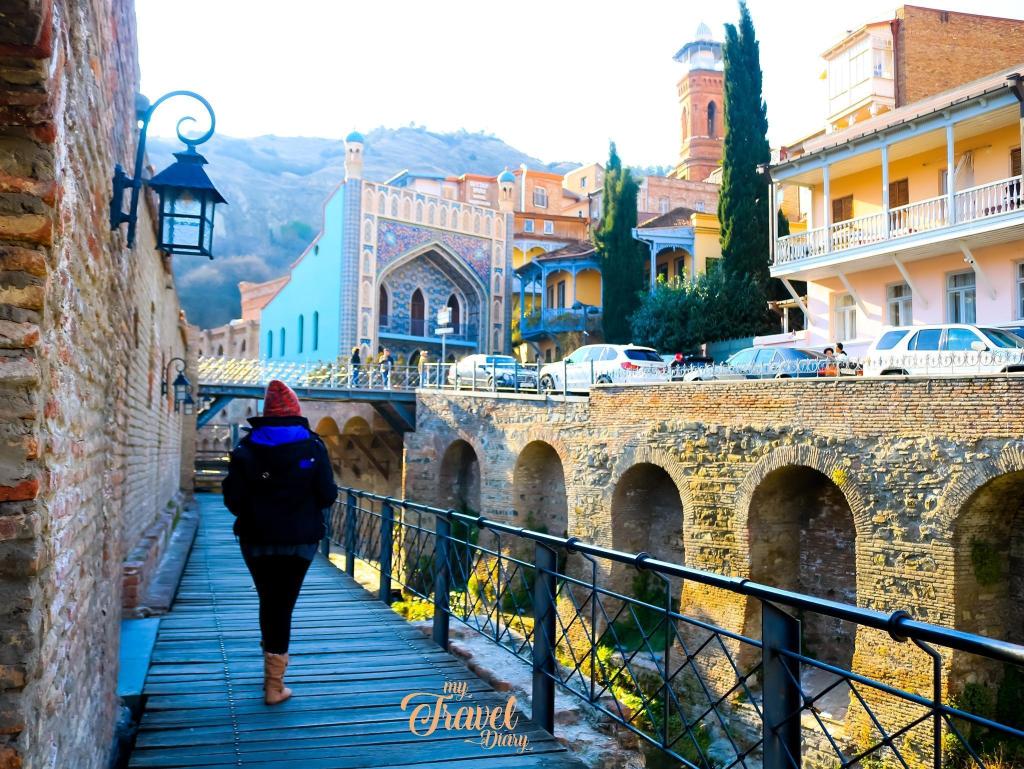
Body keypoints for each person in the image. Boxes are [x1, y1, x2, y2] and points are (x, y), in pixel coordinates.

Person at [222, 380, 337, 705]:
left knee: (270, 600)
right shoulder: (313, 448)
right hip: (299, 541)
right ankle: (274, 684)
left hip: (256, 539)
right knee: (281, 604)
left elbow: (232, 499)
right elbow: (327, 496)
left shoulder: (245, 450)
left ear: (266, 414)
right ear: (296, 413)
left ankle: (272, 671)